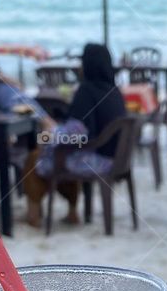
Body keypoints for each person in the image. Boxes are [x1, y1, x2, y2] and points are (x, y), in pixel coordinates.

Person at [22, 43, 127, 228]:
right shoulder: (114, 90)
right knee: (58, 153)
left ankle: (34, 214)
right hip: (116, 158)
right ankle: (72, 212)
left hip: (95, 159)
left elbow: (77, 133)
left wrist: (50, 132)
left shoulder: (86, 91)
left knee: (35, 157)